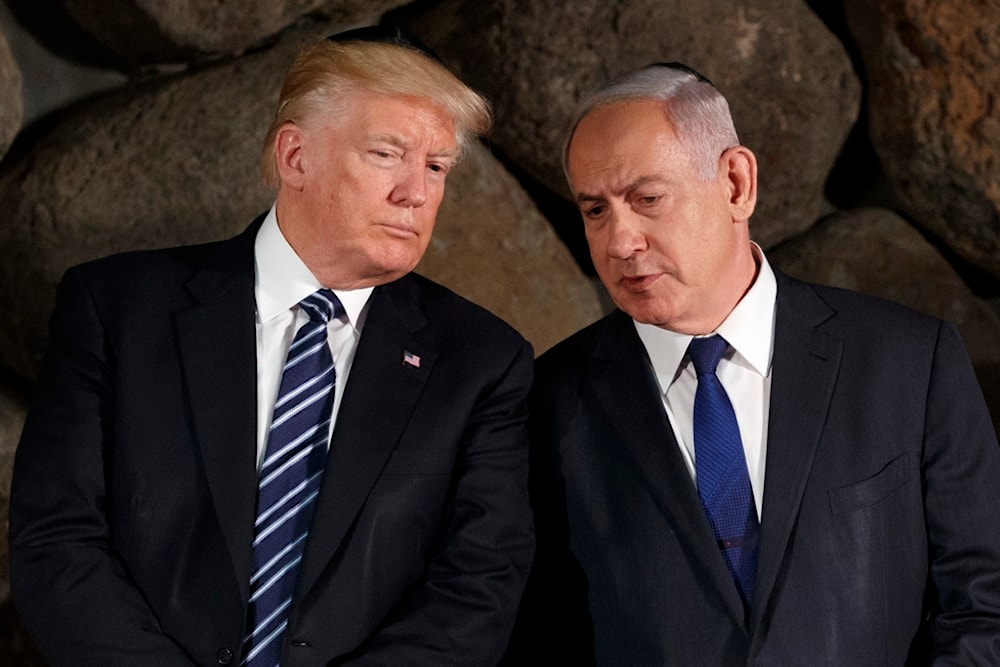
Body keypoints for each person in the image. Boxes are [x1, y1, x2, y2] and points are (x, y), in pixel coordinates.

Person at [10, 26, 534, 666]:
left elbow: (478, 585)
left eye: (435, 167)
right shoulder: (116, 309)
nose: (416, 193)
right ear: (295, 157)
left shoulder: (482, 361)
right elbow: (57, 540)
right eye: (386, 154)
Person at [514, 63, 1000, 665]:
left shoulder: (909, 362)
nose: (619, 241)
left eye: (647, 199)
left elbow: (985, 603)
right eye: (595, 211)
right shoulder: (543, 404)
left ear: (736, 183)